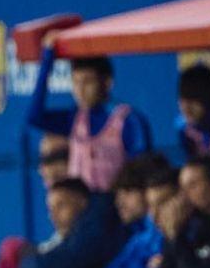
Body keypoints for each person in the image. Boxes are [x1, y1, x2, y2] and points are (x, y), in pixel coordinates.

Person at [27, 33, 153, 192]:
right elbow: (34, 117)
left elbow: (142, 172)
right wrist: (47, 59)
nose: (80, 90)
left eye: (87, 82)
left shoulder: (128, 120)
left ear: (107, 83)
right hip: (80, 205)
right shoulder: (75, 119)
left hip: (114, 204)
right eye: (75, 82)